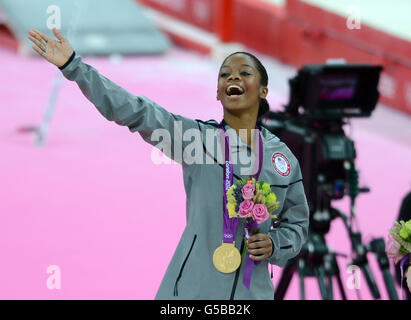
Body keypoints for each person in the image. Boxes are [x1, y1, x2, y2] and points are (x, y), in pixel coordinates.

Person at [28, 28, 309, 300]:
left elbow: (296, 223)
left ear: (263, 91)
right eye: (225, 74)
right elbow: (135, 111)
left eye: (244, 73)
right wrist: (74, 67)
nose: (233, 77)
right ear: (218, 93)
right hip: (191, 293)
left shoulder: (280, 159)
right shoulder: (195, 140)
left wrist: (275, 244)